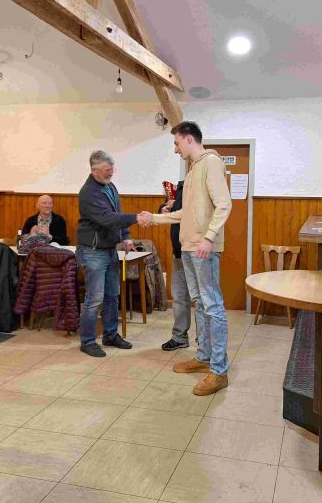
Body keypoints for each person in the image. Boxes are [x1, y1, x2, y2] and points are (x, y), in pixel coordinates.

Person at [141, 121, 232, 395]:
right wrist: (154, 218)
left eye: (176, 142)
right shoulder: (193, 170)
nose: (175, 149)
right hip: (189, 247)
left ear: (189, 138)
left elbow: (224, 204)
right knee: (200, 304)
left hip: (203, 248)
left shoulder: (211, 163)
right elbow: (185, 214)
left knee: (213, 306)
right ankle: (204, 357)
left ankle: (219, 371)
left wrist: (209, 237)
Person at [76, 150, 138, 357]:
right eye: (106, 170)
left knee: (112, 295)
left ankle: (110, 335)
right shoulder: (88, 192)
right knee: (94, 299)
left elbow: (117, 214)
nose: (110, 173)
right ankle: (87, 341)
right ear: (94, 171)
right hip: (93, 251)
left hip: (110, 249)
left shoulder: (109, 186)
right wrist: (137, 217)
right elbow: (107, 218)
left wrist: (126, 236)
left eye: (112, 169)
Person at [157, 181, 195, 351]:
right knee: (179, 296)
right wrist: (163, 208)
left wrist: (175, 205)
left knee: (201, 299)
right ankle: (179, 337)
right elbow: (174, 207)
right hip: (178, 251)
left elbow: (193, 210)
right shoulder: (182, 185)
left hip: (196, 253)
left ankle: (204, 343)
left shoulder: (199, 184)